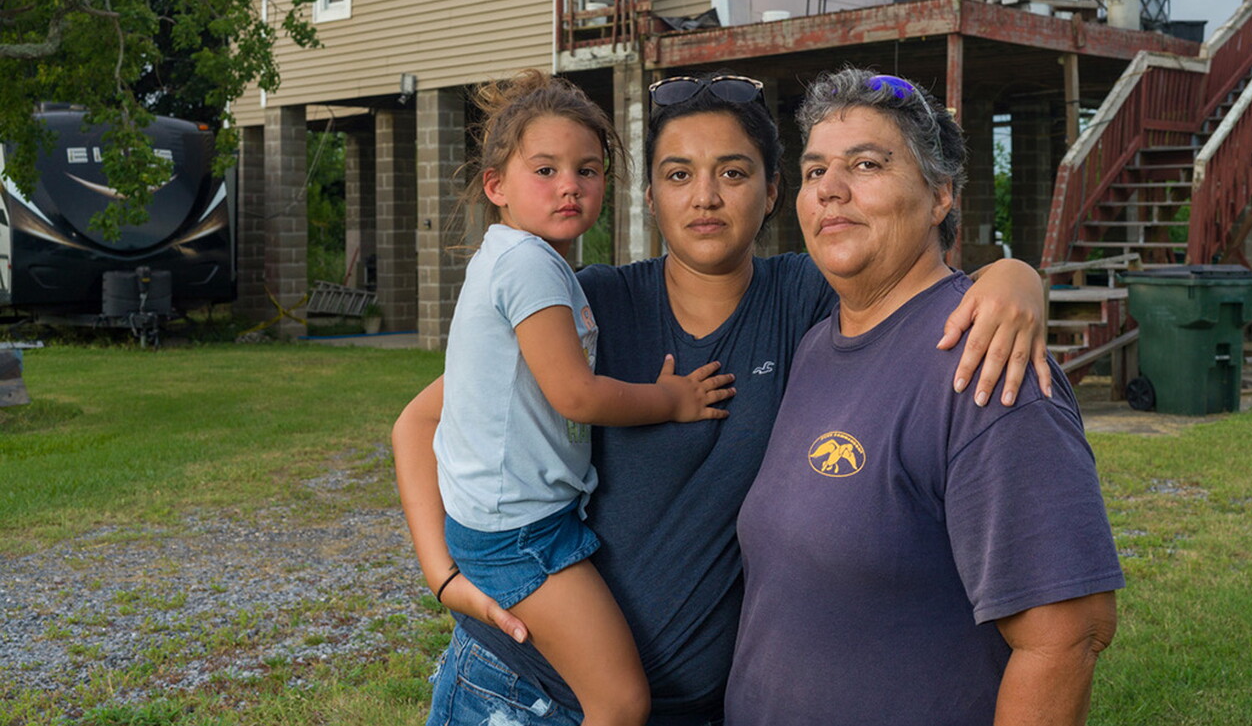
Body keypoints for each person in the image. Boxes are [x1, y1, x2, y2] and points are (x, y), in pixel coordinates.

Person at [393, 70, 1054, 726]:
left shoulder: (805, 299)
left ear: (772, 192)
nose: (705, 196)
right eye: (678, 175)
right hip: (527, 692)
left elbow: (910, 275)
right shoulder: (589, 306)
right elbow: (421, 419)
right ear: (649, 196)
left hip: (701, 708)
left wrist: (1015, 277)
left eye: (734, 173)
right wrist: (444, 575)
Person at [725, 68, 1124, 726]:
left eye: (868, 163)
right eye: (815, 170)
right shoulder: (816, 347)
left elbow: (1065, 634)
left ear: (940, 194)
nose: (830, 188)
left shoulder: (987, 362)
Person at [432, 70, 737, 726]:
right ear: (496, 186)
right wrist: (671, 399)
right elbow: (575, 394)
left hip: (507, 523)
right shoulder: (529, 265)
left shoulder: (516, 260)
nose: (570, 183)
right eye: (545, 169)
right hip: (522, 534)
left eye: (587, 169)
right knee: (620, 701)